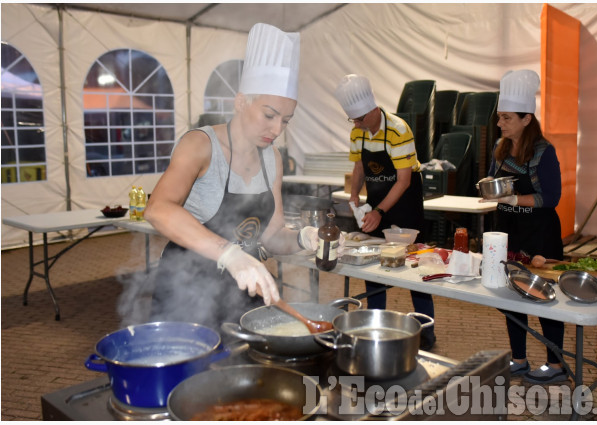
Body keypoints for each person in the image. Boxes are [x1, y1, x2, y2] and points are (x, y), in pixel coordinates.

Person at [144, 23, 332, 329]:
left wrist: (302, 237)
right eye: (269, 115)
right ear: (242, 101)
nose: (276, 130)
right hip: (188, 290)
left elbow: (270, 236)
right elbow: (158, 209)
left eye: (286, 121)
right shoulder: (200, 145)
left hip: (243, 291)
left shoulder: (272, 158)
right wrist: (229, 254)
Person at [334, 74, 436, 350]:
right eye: (352, 121)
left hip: (405, 205)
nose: (356, 126)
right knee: (373, 267)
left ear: (372, 111)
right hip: (378, 200)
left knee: (415, 268)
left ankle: (426, 332)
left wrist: (378, 211)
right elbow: (359, 168)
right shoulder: (358, 132)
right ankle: (375, 324)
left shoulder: (398, 130)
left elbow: (403, 181)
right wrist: (355, 194)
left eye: (359, 119)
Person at [482, 69, 567, 384]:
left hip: (540, 232)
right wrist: (491, 189)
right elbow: (495, 181)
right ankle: (518, 358)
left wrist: (515, 198)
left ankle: (556, 365)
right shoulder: (500, 148)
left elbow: (552, 197)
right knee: (512, 295)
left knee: (544, 298)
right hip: (509, 230)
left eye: (506, 119)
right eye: (499, 118)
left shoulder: (544, 152)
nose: (499, 124)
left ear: (527, 119)